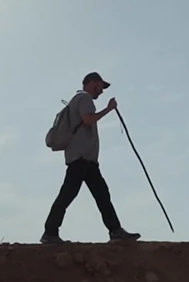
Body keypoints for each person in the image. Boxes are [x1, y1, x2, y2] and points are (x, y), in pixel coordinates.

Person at [42, 72, 141, 243]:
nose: (101, 91)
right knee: (70, 195)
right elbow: (88, 120)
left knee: (100, 194)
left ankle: (115, 230)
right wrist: (109, 109)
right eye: (101, 86)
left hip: (85, 158)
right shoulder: (84, 98)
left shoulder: (78, 99)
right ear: (93, 83)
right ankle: (50, 232)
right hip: (81, 157)